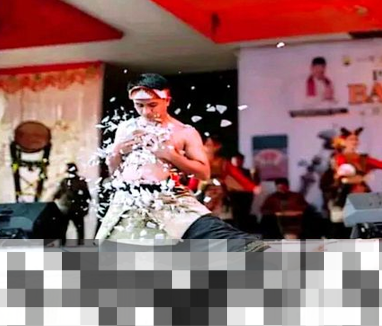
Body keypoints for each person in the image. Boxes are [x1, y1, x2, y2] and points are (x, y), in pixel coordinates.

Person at [96, 73, 266, 251]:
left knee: (232, 242)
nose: (146, 111)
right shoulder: (125, 128)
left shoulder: (184, 131)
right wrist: (116, 152)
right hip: (128, 199)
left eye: (152, 105)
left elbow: (203, 173)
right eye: (139, 105)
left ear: (166, 101)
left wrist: (171, 155)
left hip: (167, 198)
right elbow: (115, 172)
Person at [52, 163, 91, 245]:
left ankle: (62, 246)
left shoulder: (65, 181)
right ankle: (80, 246)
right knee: (80, 231)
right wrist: (85, 208)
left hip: (66, 210)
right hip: (77, 210)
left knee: (63, 230)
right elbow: (87, 196)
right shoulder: (81, 181)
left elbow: (56, 195)